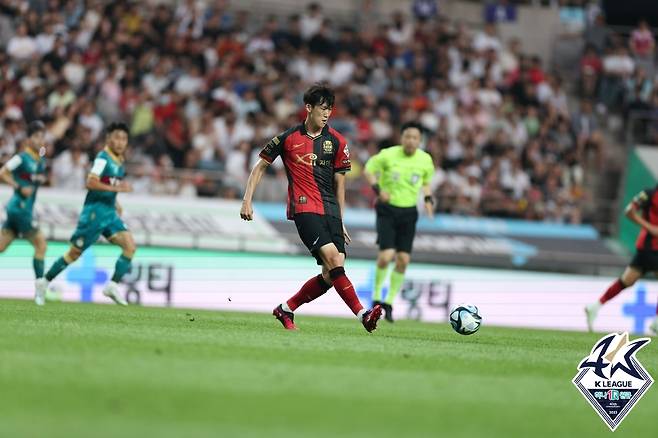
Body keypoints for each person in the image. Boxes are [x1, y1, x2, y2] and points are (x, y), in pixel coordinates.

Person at [240, 84, 382, 332]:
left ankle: (286, 308)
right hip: (304, 208)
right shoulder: (287, 138)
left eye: (330, 110)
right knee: (333, 260)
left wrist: (341, 219)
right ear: (309, 108)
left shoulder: (337, 141)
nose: (326, 114)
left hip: (330, 211)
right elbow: (260, 165)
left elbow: (340, 183)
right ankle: (363, 315)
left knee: (332, 272)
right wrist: (247, 199)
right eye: (322, 109)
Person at [38, 122, 136, 305]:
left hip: (109, 213)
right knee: (74, 253)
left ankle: (112, 285)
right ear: (108, 138)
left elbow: (109, 186)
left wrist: (116, 201)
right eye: (117, 137)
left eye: (124, 138)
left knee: (130, 246)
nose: (120, 142)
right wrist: (120, 189)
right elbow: (91, 182)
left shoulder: (120, 161)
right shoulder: (102, 159)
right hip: (94, 213)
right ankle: (44, 281)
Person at [364, 122, 435, 322]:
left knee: (403, 260)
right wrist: (378, 190)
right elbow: (368, 170)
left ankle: (388, 302)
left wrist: (428, 200)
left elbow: (427, 183)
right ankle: (376, 298)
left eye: (415, 137)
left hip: (409, 212)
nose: (411, 141)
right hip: (387, 209)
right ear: (401, 138)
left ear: (420, 140)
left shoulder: (425, 160)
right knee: (386, 256)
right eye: (407, 136)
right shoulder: (388, 154)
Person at [585, 185, 658, 335]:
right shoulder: (648, 194)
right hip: (650, 247)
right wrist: (649, 227)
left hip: (646, 250)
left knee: (626, 281)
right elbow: (629, 211)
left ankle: (595, 306)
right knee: (626, 281)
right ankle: (656, 322)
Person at [0, 121, 48, 305]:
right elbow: (3, 172)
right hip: (20, 210)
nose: (40, 140)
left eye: (42, 136)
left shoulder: (40, 160)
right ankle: (39, 292)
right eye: (36, 136)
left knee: (1, 247)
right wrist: (19, 186)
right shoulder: (21, 158)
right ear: (28, 139)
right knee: (41, 245)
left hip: (18, 211)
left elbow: (42, 159)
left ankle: (39, 291)